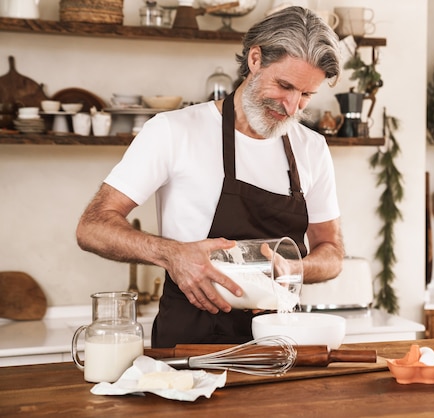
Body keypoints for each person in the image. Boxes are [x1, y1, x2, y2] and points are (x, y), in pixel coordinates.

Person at [76, 6, 345, 348]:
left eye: (306, 95)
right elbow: (92, 226)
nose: (292, 107)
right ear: (255, 59)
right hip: (190, 345)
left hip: (281, 344)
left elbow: (331, 251)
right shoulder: (173, 131)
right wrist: (171, 254)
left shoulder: (312, 148)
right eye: (284, 85)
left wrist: (295, 270)